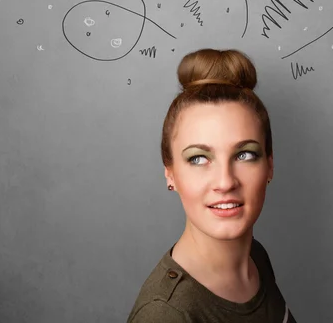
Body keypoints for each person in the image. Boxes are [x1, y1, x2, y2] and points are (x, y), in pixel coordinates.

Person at [126, 48, 297, 322]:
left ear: (270, 165)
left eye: (245, 155)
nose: (225, 182)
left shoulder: (256, 257)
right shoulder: (166, 314)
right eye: (198, 158)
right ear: (170, 174)